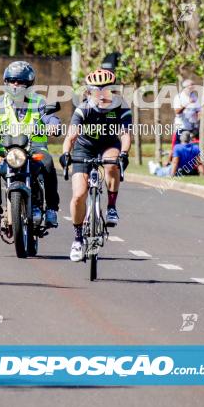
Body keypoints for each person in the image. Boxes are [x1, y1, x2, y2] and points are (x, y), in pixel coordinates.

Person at [0, 61, 61, 236]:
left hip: (34, 149)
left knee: (47, 163)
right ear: (6, 82)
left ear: (29, 84)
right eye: (12, 81)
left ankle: (52, 209)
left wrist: (54, 125)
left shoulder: (39, 101)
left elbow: (50, 117)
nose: (16, 85)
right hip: (8, 150)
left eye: (21, 81)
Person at [60, 69, 131, 262]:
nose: (101, 94)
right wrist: (66, 154)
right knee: (78, 196)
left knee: (112, 164)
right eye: (96, 90)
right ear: (89, 91)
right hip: (84, 148)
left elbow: (125, 135)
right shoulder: (83, 109)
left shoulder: (121, 107)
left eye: (106, 90)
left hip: (109, 145)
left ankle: (112, 207)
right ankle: (77, 239)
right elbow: (71, 135)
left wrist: (124, 153)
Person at [172, 80, 201, 151]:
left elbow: (199, 111)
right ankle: (172, 161)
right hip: (180, 126)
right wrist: (188, 103)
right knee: (177, 146)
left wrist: (198, 122)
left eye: (193, 85)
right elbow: (177, 111)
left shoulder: (194, 97)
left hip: (191, 128)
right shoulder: (178, 97)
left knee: (189, 147)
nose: (193, 87)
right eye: (191, 85)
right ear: (185, 87)